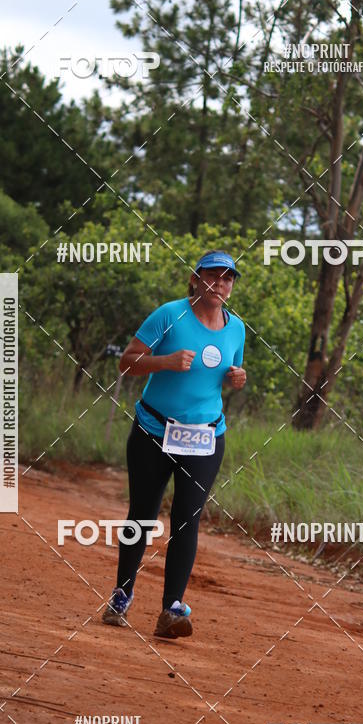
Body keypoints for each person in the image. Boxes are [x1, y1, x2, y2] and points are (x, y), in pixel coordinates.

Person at [102, 251, 247, 638]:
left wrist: (237, 378)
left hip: (205, 437)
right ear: (195, 279)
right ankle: (122, 594)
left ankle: (171, 609)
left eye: (228, 279)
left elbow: (226, 373)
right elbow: (128, 362)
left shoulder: (237, 329)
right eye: (213, 277)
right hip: (153, 430)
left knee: (188, 519)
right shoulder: (169, 314)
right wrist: (164, 362)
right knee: (143, 514)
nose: (220, 285)